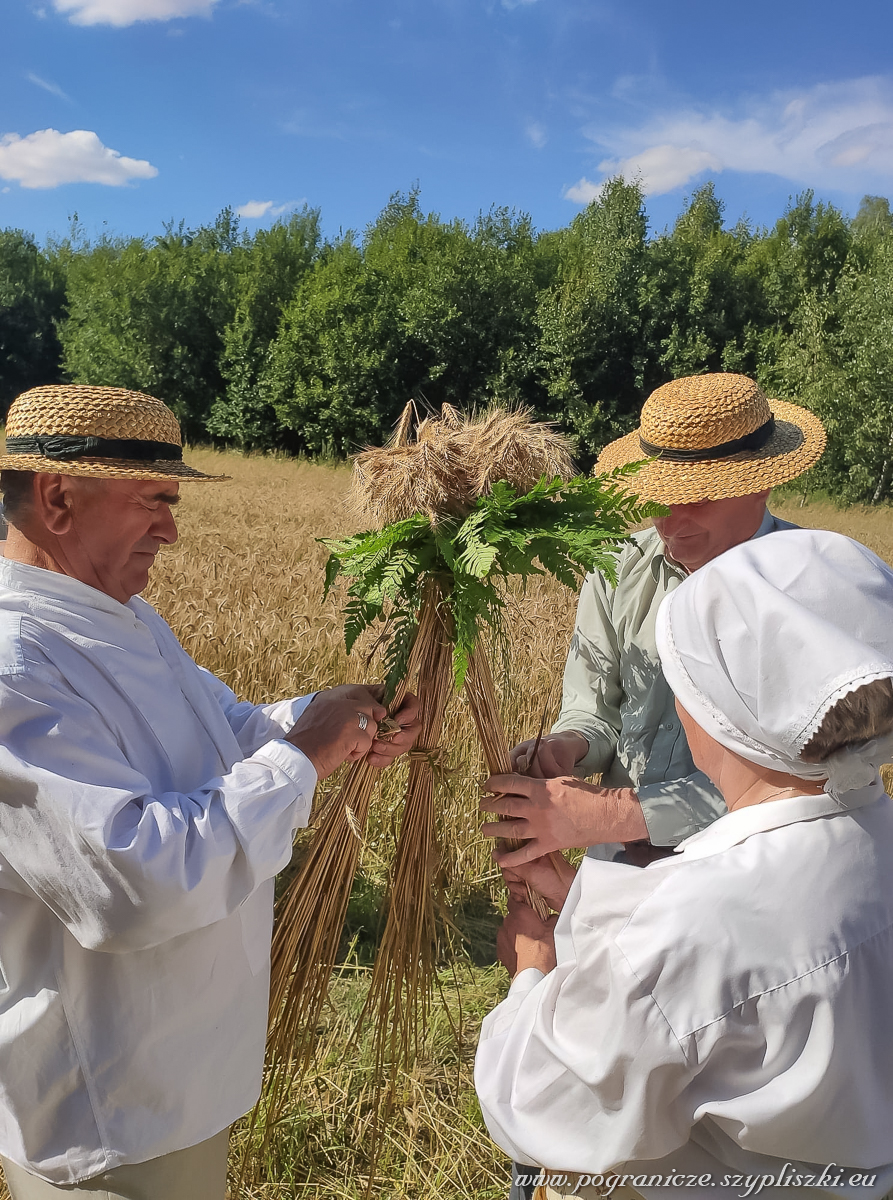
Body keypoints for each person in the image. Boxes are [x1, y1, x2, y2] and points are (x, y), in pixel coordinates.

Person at [0, 385, 421, 1200]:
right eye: (153, 501)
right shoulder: (18, 665)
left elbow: (220, 729)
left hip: (177, 1077)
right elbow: (132, 882)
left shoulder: (119, 616)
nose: (171, 528)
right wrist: (302, 757)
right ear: (57, 498)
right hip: (112, 1118)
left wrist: (329, 717)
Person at [475, 528, 893, 1200]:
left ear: (722, 711)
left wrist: (532, 970)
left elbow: (535, 1101)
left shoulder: (693, 924)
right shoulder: (867, 835)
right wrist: (580, 900)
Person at [484, 373, 827, 891]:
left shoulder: (811, 585)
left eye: (697, 496)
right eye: (658, 496)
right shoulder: (617, 569)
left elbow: (802, 780)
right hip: (617, 865)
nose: (670, 520)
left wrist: (616, 814)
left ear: (760, 483)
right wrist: (569, 745)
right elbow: (595, 710)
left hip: (753, 875)